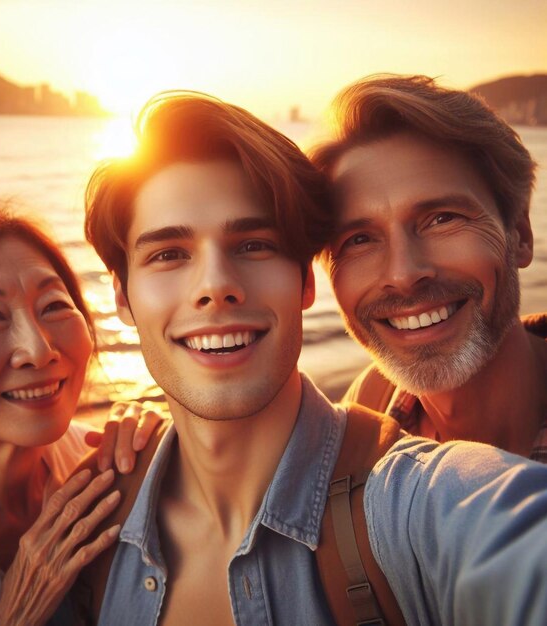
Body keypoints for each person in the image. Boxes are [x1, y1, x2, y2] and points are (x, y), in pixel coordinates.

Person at [74, 92, 547, 625]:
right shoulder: (93, 523)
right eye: (167, 254)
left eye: (441, 218)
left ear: (303, 282)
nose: (215, 287)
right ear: (120, 298)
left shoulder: (417, 495)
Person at [0, 208, 159, 625]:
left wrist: (161, 443)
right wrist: (15, 613)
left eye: (53, 306)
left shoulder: (104, 466)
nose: (39, 348)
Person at [311, 74, 547, 461]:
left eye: (442, 219)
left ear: (519, 234)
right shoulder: (362, 425)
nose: (402, 274)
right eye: (359, 240)